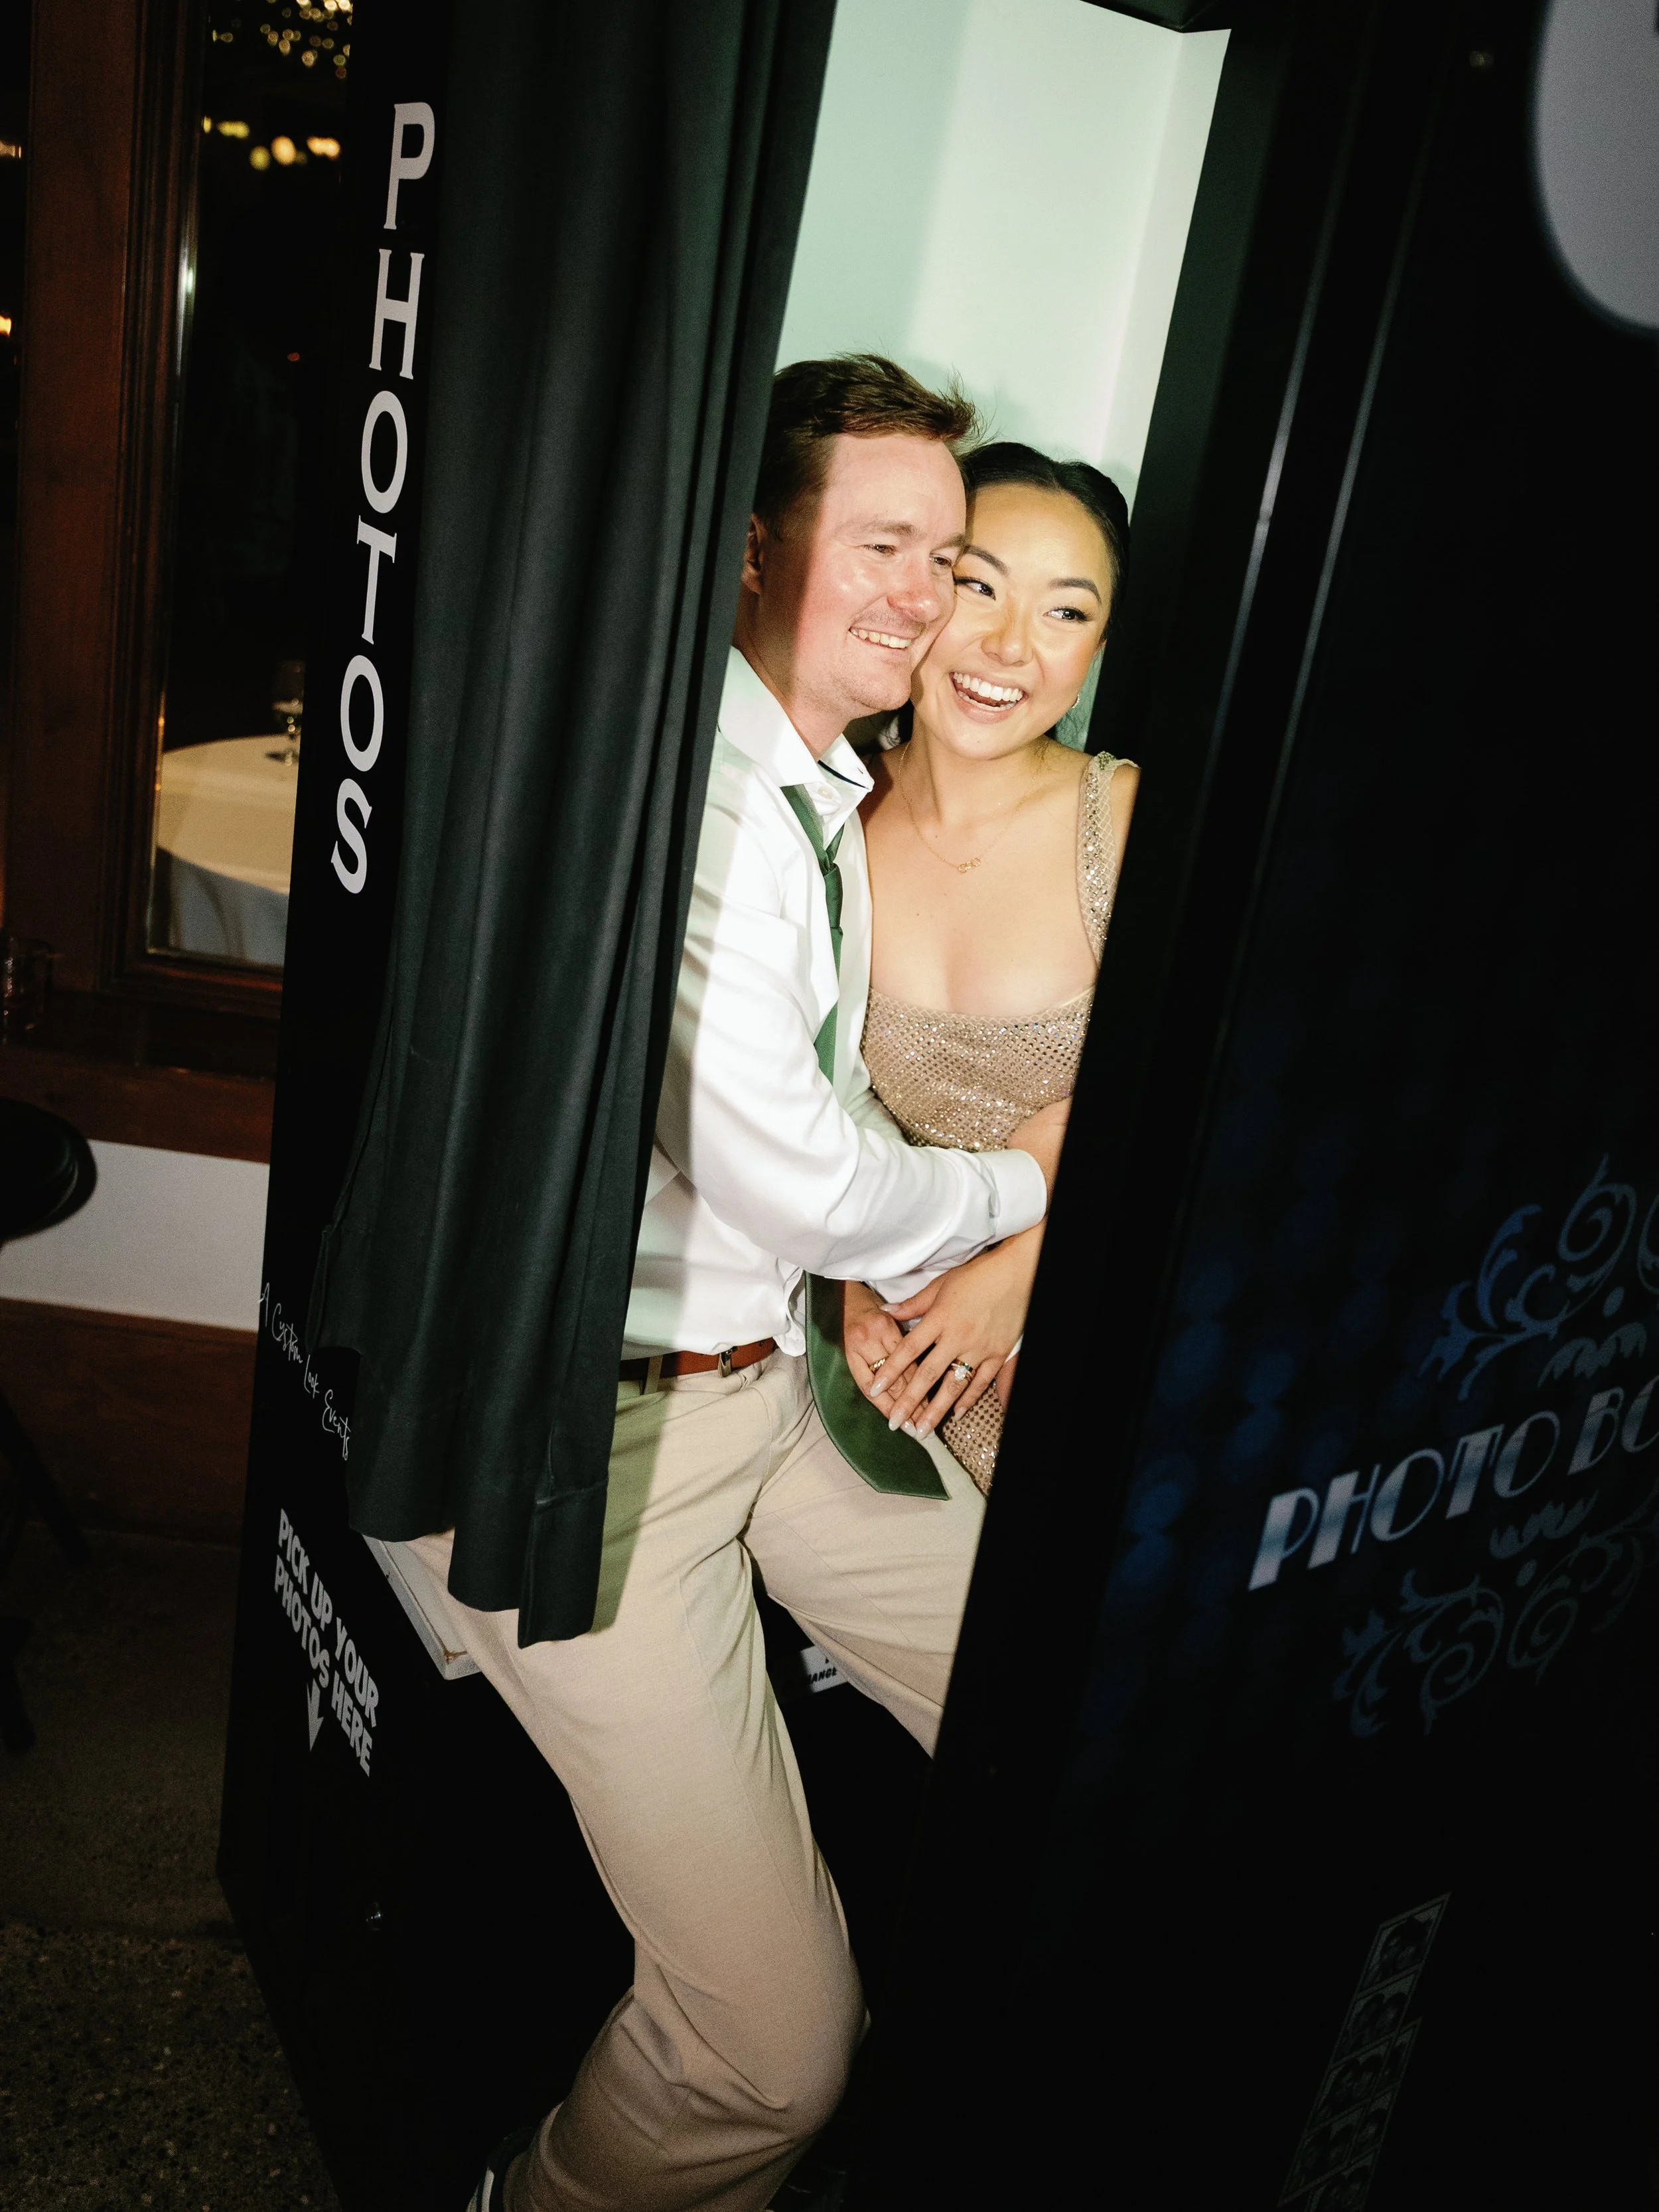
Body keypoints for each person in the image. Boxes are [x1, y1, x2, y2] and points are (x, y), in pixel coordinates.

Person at [432, 359, 1071, 2212]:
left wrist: (852, 1277)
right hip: (593, 1447)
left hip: (760, 1382)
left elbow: (788, 1149)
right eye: (883, 542)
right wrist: (1013, 1189)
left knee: (1077, 1716)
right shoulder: (703, 792)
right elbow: (780, 1156)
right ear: (749, 549)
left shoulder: (816, 776)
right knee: (774, 2053)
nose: (924, 596)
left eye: (945, 556)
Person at [843, 442, 1137, 1492]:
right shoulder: (828, 810)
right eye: (979, 586)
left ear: (1099, 644)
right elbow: (787, 1106)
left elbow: (1229, 1121)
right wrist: (851, 1291)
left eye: (1066, 613)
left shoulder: (1131, 820)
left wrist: (1026, 1276)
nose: (1011, 647)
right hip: (900, 1387)